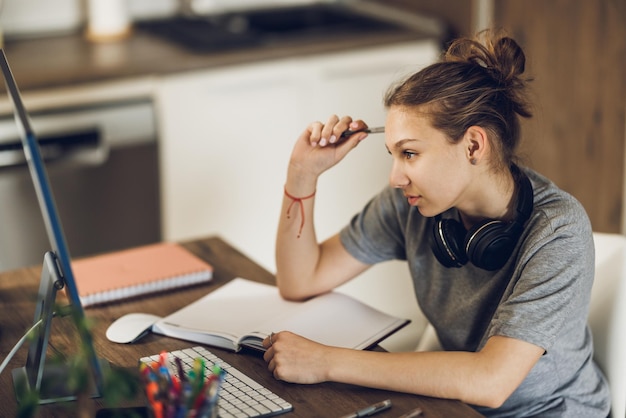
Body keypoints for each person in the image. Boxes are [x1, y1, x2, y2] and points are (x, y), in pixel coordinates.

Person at [261, 30, 611, 417]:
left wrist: (325, 361)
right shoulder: (410, 205)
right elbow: (300, 279)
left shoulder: (558, 231)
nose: (396, 176)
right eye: (394, 154)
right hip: (456, 406)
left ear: (474, 146)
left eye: (409, 153)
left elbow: (491, 382)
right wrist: (301, 173)